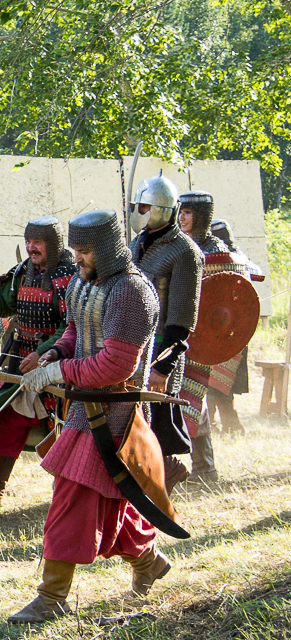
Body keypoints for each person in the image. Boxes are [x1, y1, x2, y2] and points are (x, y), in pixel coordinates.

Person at [8, 210, 169, 624]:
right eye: (75, 250)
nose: (76, 258)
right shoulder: (85, 281)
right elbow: (76, 331)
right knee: (108, 497)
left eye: (84, 251)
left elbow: (117, 364)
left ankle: (51, 597)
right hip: (86, 409)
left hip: (115, 415)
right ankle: (148, 561)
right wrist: (54, 354)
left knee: (73, 495)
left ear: (107, 249)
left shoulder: (132, 292)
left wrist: (59, 372)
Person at [0, 217, 77, 507]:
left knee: (62, 428)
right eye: (28, 241)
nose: (32, 247)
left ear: (53, 244)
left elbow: (70, 326)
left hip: (59, 365)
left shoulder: (70, 278)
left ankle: (71, 495)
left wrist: (44, 352)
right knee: (12, 418)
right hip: (22, 363)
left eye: (38, 242)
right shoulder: (24, 271)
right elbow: (6, 302)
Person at [128, 172, 203, 492]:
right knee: (137, 422)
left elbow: (182, 320)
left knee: (157, 424)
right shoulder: (137, 243)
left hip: (160, 353)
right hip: (134, 348)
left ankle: (165, 476)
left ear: (162, 208)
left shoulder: (185, 251)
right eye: (136, 206)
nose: (139, 212)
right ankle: (152, 482)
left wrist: (163, 366)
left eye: (144, 206)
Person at [176, 191, 230, 481]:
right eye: (180, 212)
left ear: (201, 216)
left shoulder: (215, 249)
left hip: (204, 337)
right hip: (179, 332)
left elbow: (226, 293)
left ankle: (205, 467)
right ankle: (198, 466)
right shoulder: (180, 244)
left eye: (187, 213)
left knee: (194, 397)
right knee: (183, 398)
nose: (181, 218)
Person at [205, 219, 264, 435]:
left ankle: (227, 424)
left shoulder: (236, 259)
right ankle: (217, 423)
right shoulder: (232, 259)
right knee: (211, 380)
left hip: (231, 328)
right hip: (216, 327)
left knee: (221, 381)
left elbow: (255, 276)